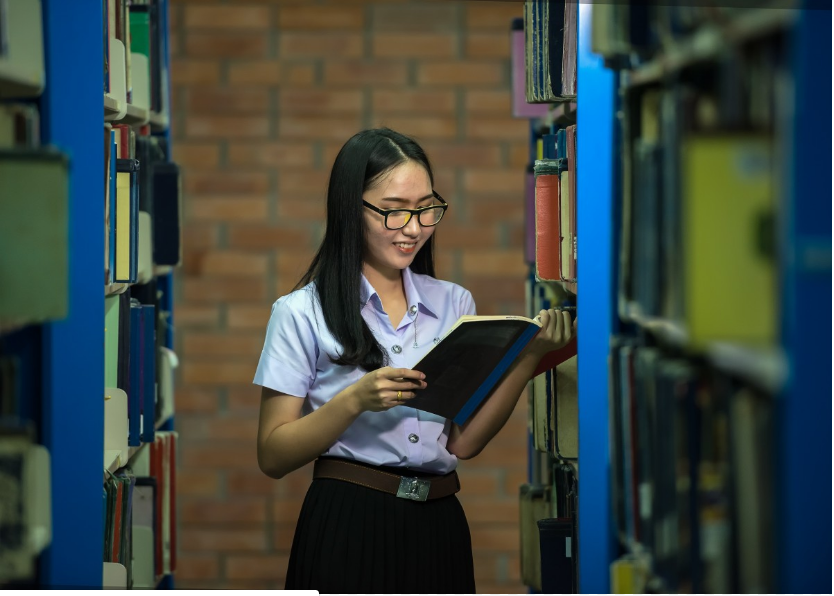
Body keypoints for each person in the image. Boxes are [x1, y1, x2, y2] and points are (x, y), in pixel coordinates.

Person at [253, 127, 574, 594]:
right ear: (350, 208)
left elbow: (463, 444)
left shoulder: (455, 304)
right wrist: (354, 400)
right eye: (395, 211)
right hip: (348, 519)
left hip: (439, 520)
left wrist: (527, 360)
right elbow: (272, 454)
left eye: (427, 209)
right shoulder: (300, 312)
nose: (414, 228)